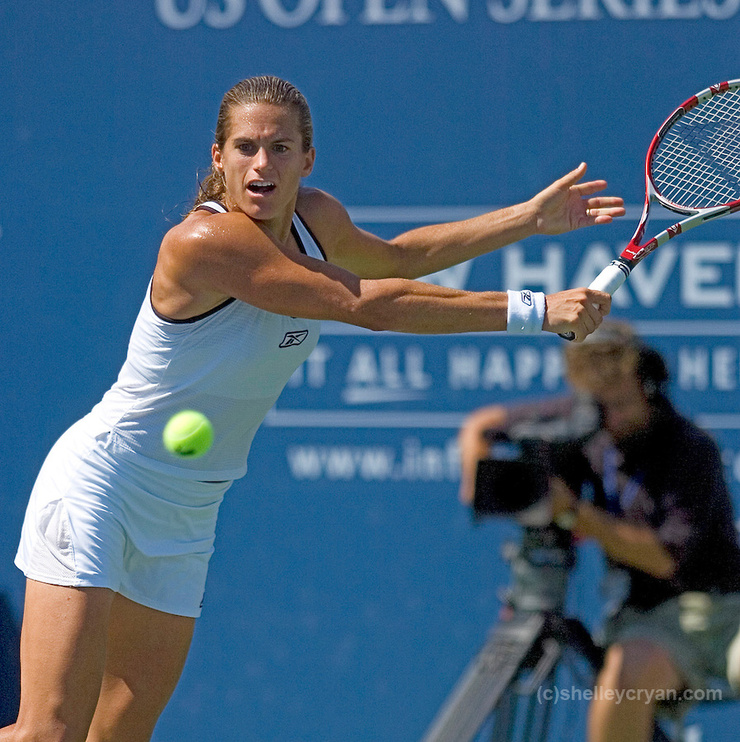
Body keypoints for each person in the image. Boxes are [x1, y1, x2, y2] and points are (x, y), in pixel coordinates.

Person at [3, 75, 624, 742]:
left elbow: (397, 260)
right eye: (244, 148)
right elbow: (366, 303)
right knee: (50, 733)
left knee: (121, 733)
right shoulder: (204, 243)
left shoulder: (316, 219)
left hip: (187, 515)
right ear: (218, 157)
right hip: (103, 487)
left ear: (308, 159)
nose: (261, 165)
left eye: (280, 147)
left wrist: (527, 218)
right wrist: (536, 310)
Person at [458, 321, 740, 742]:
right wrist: (476, 479)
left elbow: (665, 559)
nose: (615, 416)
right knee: (623, 681)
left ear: (646, 383)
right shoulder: (585, 421)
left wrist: (574, 514)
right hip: (653, 622)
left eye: (623, 401)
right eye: (603, 404)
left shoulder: (690, 447)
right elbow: (480, 425)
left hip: (728, 610)